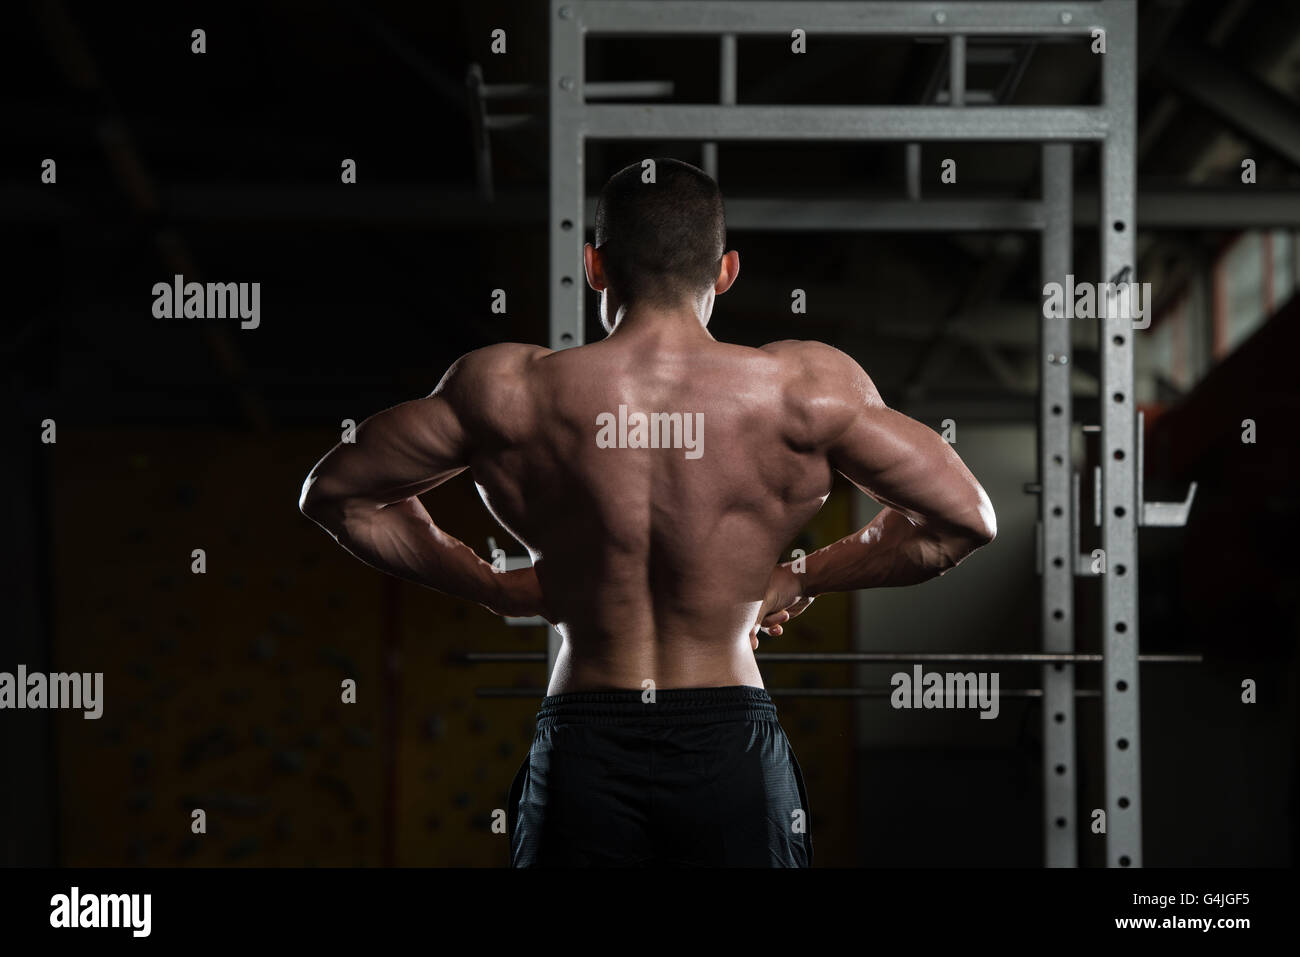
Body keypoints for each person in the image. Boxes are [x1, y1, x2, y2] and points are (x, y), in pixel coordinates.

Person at [298, 158, 996, 867]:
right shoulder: (805, 390)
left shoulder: (509, 391)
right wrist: (800, 576)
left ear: (595, 266)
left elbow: (336, 494)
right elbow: (964, 519)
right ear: (725, 271)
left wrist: (490, 583)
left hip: (584, 745)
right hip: (731, 743)